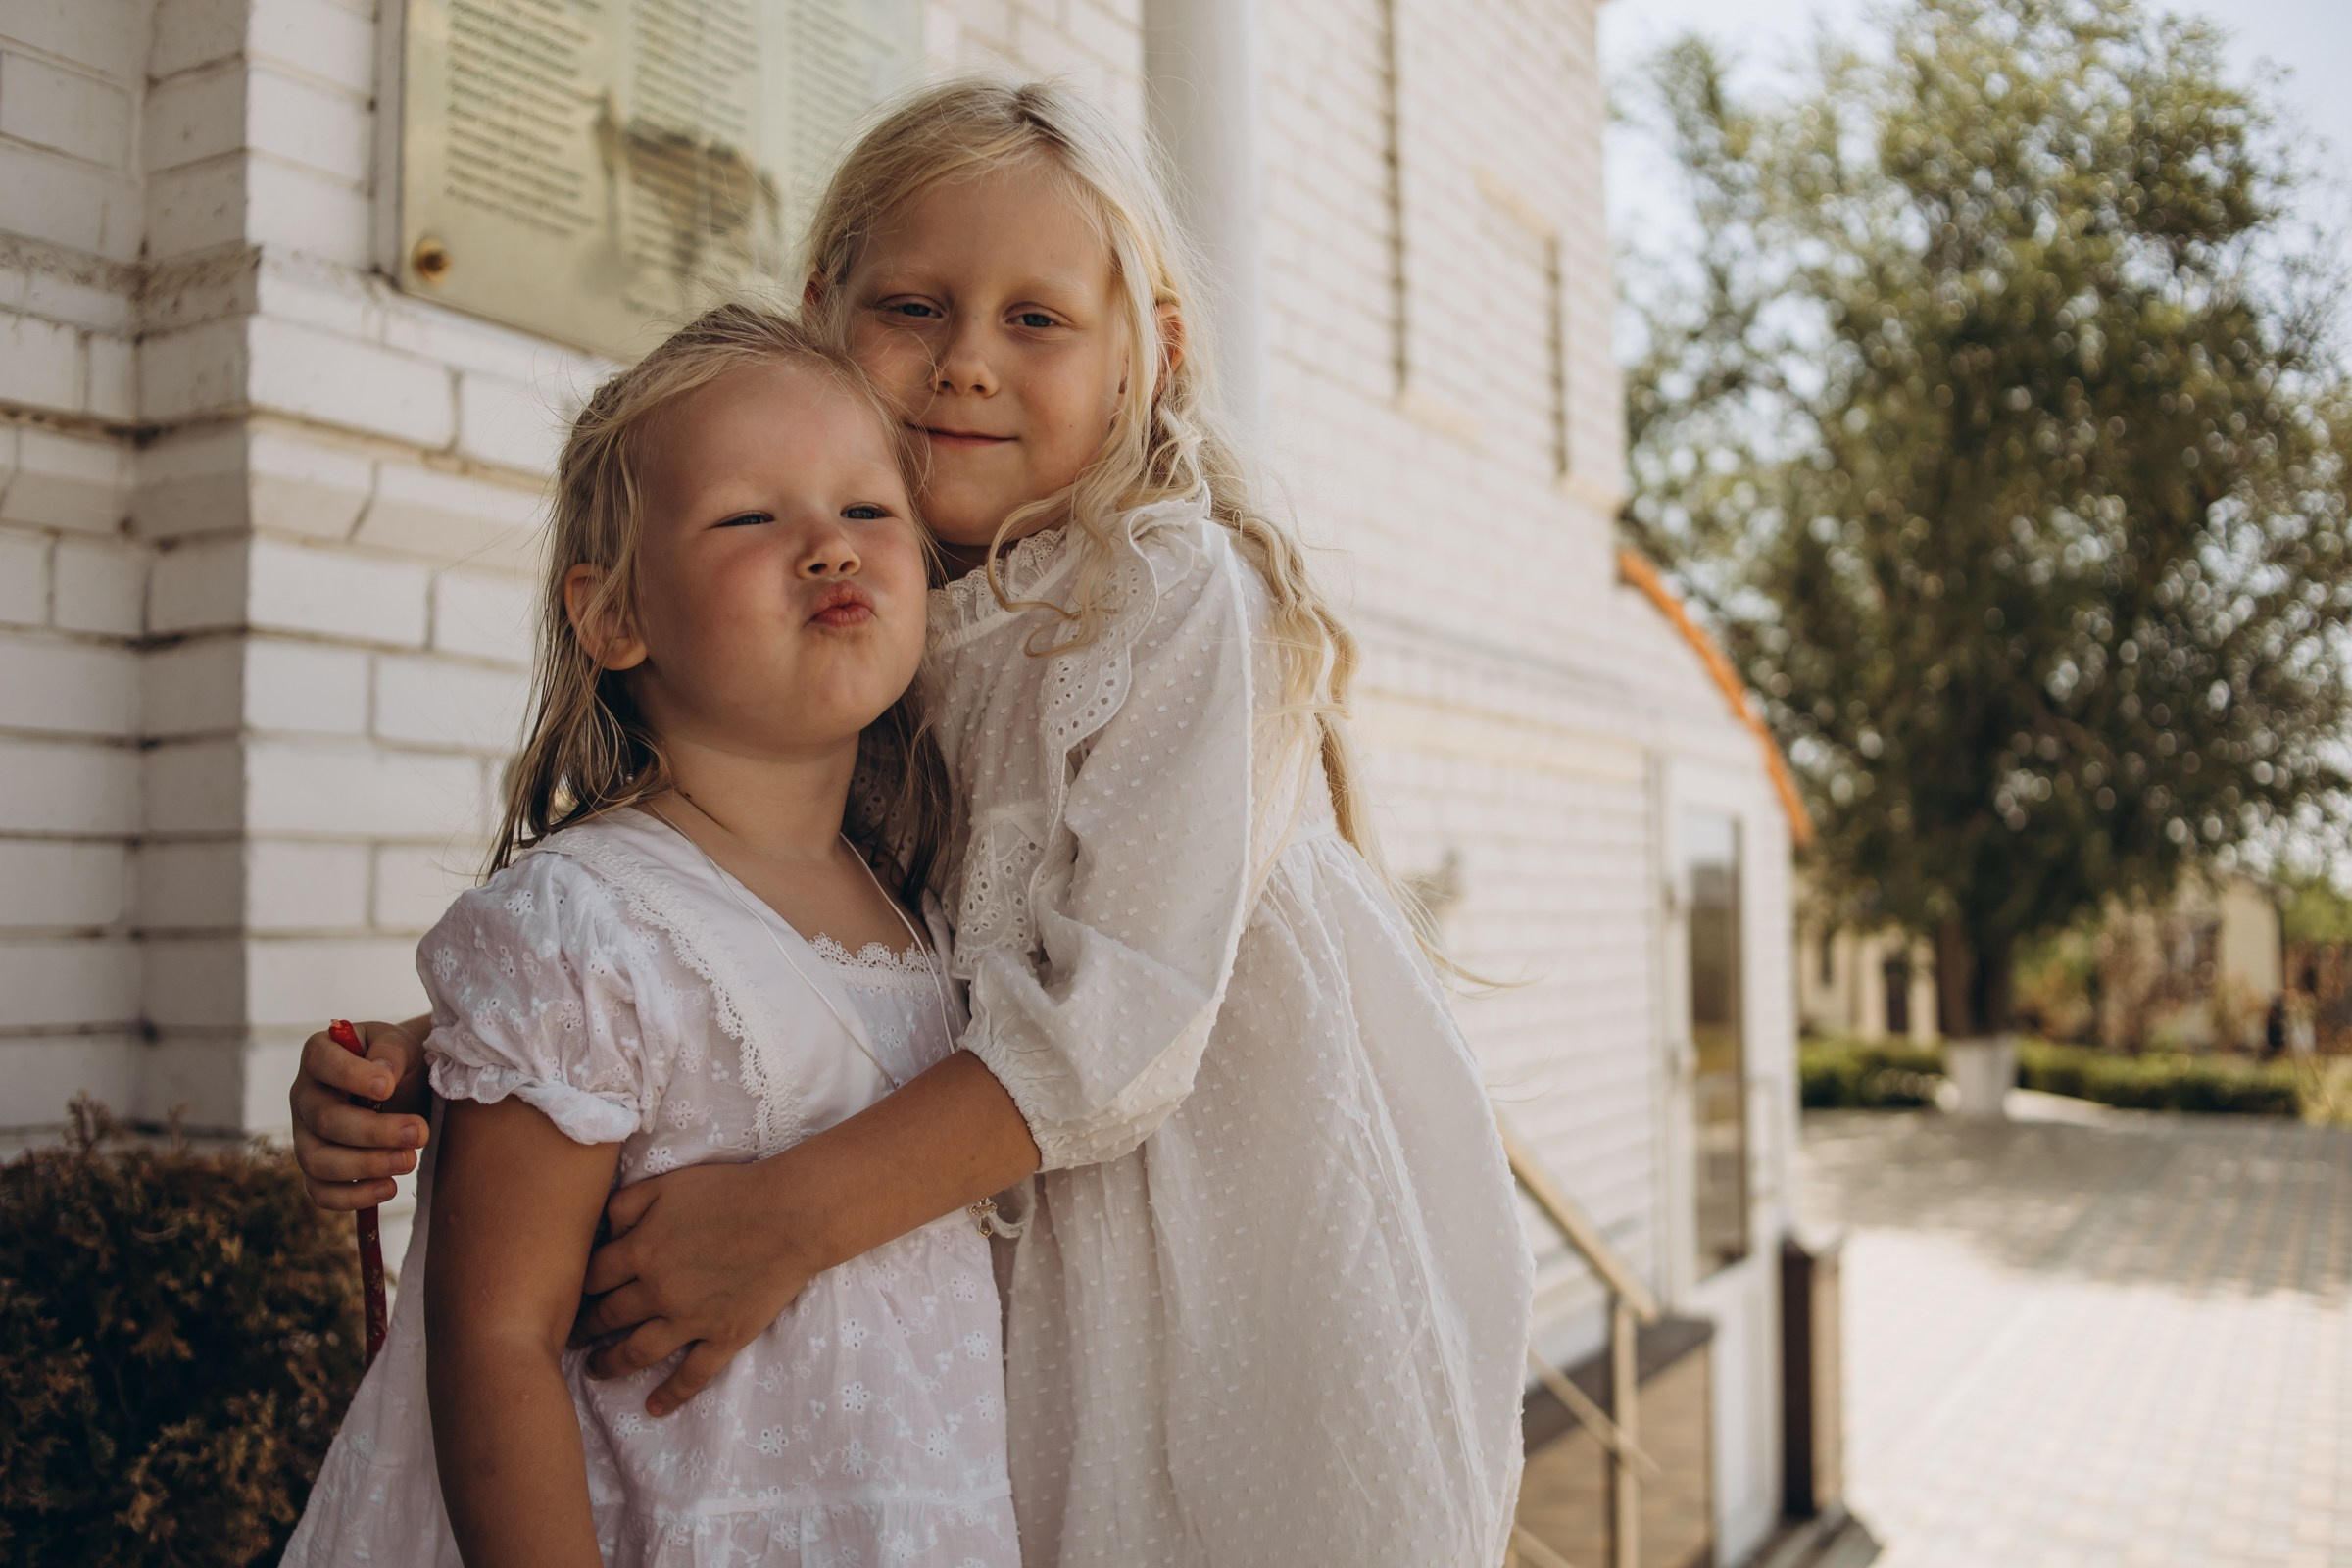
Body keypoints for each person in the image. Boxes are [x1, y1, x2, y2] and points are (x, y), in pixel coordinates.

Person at [292, 79, 1534, 1567]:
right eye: (913, 307)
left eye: (1036, 321)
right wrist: (473, 1061)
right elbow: (779, 970)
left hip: (1204, 1231)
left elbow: (1122, 1020)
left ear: (1153, 348)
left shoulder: (1165, 591)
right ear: (824, 311)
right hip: (965, 1261)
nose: (965, 366)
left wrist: (781, 1222)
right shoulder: (863, 632)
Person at [282, 307, 1019, 1567]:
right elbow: (494, 1342)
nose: (829, 548)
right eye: (750, 516)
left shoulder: (929, 903)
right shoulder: (583, 929)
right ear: (615, 614)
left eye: (867, 510)